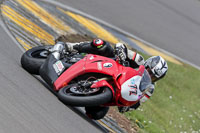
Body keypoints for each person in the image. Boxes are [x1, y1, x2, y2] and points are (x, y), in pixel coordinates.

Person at [49, 38, 168, 116]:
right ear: (147, 65)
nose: (150, 77)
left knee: (96, 114)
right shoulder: (138, 60)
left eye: (154, 77)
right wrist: (122, 54)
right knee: (101, 45)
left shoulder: (148, 89)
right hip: (106, 65)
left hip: (113, 89)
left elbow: (136, 103)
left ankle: (80, 89)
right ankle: (69, 47)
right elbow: (121, 46)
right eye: (150, 72)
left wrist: (127, 107)